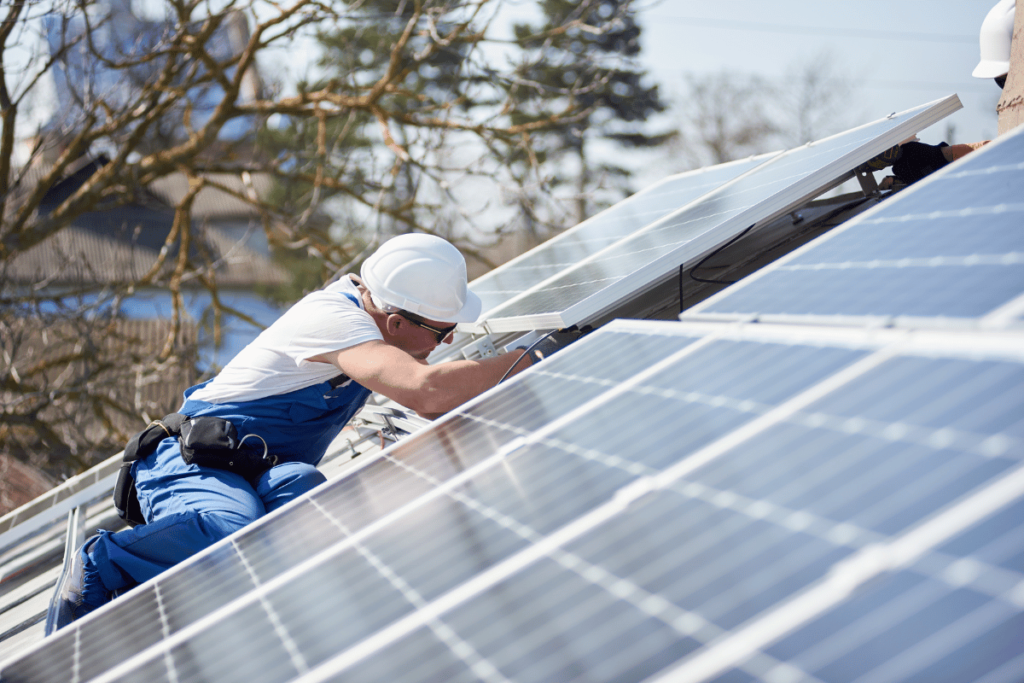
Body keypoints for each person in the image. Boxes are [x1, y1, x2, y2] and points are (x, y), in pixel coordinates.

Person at [47, 233, 541, 633]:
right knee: (232, 532)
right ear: (393, 321)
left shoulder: (369, 321)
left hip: (251, 468)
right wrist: (530, 360)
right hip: (185, 462)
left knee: (309, 505)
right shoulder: (335, 320)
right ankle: (101, 563)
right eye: (442, 332)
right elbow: (426, 391)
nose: (448, 342)